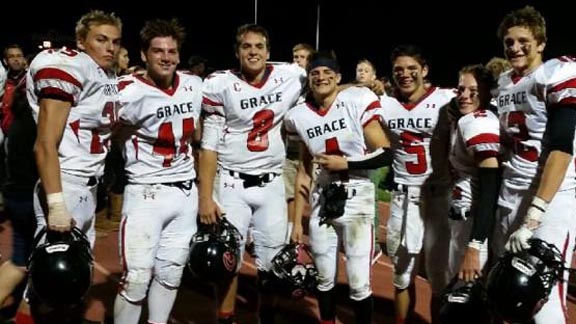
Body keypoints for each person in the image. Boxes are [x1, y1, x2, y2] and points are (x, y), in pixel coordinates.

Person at [15, 10, 122, 323]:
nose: (110, 48)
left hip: (87, 187)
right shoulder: (70, 64)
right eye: (101, 39)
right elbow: (44, 144)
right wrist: (57, 204)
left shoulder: (103, 75)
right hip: (66, 184)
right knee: (46, 284)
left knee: (71, 285)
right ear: (81, 40)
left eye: (115, 41)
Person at [199, 24, 306, 324]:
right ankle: (226, 317)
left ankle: (266, 317)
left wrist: (366, 86)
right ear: (237, 52)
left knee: (271, 264)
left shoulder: (290, 76)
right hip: (232, 182)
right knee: (227, 260)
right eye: (247, 46)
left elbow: (327, 85)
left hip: (271, 184)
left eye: (259, 46)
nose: (253, 52)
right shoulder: (220, 84)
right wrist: (206, 197)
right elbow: (208, 147)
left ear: (269, 51)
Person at [286, 51, 392, 324]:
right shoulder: (299, 116)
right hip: (322, 198)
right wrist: (297, 221)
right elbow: (303, 171)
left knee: (359, 283)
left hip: (357, 196)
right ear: (309, 79)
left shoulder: (356, 101)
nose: (321, 77)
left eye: (326, 72)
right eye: (315, 73)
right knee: (323, 279)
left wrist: (345, 162)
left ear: (338, 77)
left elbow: (385, 152)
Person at [112, 18, 202, 324]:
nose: (166, 57)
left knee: (170, 274)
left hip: (186, 193)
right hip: (146, 194)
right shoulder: (125, 91)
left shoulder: (193, 84)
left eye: (172, 51)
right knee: (136, 279)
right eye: (158, 51)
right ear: (143, 55)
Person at [493, 6, 576, 323]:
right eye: (509, 42)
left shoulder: (556, 73)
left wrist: (535, 214)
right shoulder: (504, 82)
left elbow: (561, 147)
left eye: (523, 40)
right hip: (511, 193)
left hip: (550, 199)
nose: (514, 47)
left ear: (541, 43)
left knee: (543, 300)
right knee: (508, 294)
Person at [379, 44, 455, 324]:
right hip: (402, 198)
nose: (405, 74)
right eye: (398, 69)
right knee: (401, 276)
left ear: (424, 70)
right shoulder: (383, 104)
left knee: (439, 278)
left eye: (412, 68)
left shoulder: (448, 100)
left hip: (438, 199)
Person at [446, 64, 500, 285]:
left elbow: (490, 188)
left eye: (473, 91)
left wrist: (475, 245)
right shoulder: (469, 118)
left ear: (487, 93)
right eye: (460, 90)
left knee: (464, 301)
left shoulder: (478, 123)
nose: (464, 96)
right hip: (464, 218)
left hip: (474, 222)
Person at [0, 68, 37, 322]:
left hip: (15, 194)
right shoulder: (36, 122)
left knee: (19, 260)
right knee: (41, 265)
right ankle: (26, 317)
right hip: (28, 197)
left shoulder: (18, 117)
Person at [284, 42, 315, 243]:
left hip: (313, 152)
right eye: (295, 57)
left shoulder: (318, 85)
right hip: (290, 149)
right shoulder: (287, 86)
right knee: (289, 195)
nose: (298, 61)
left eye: (302, 57)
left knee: (314, 197)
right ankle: (289, 238)